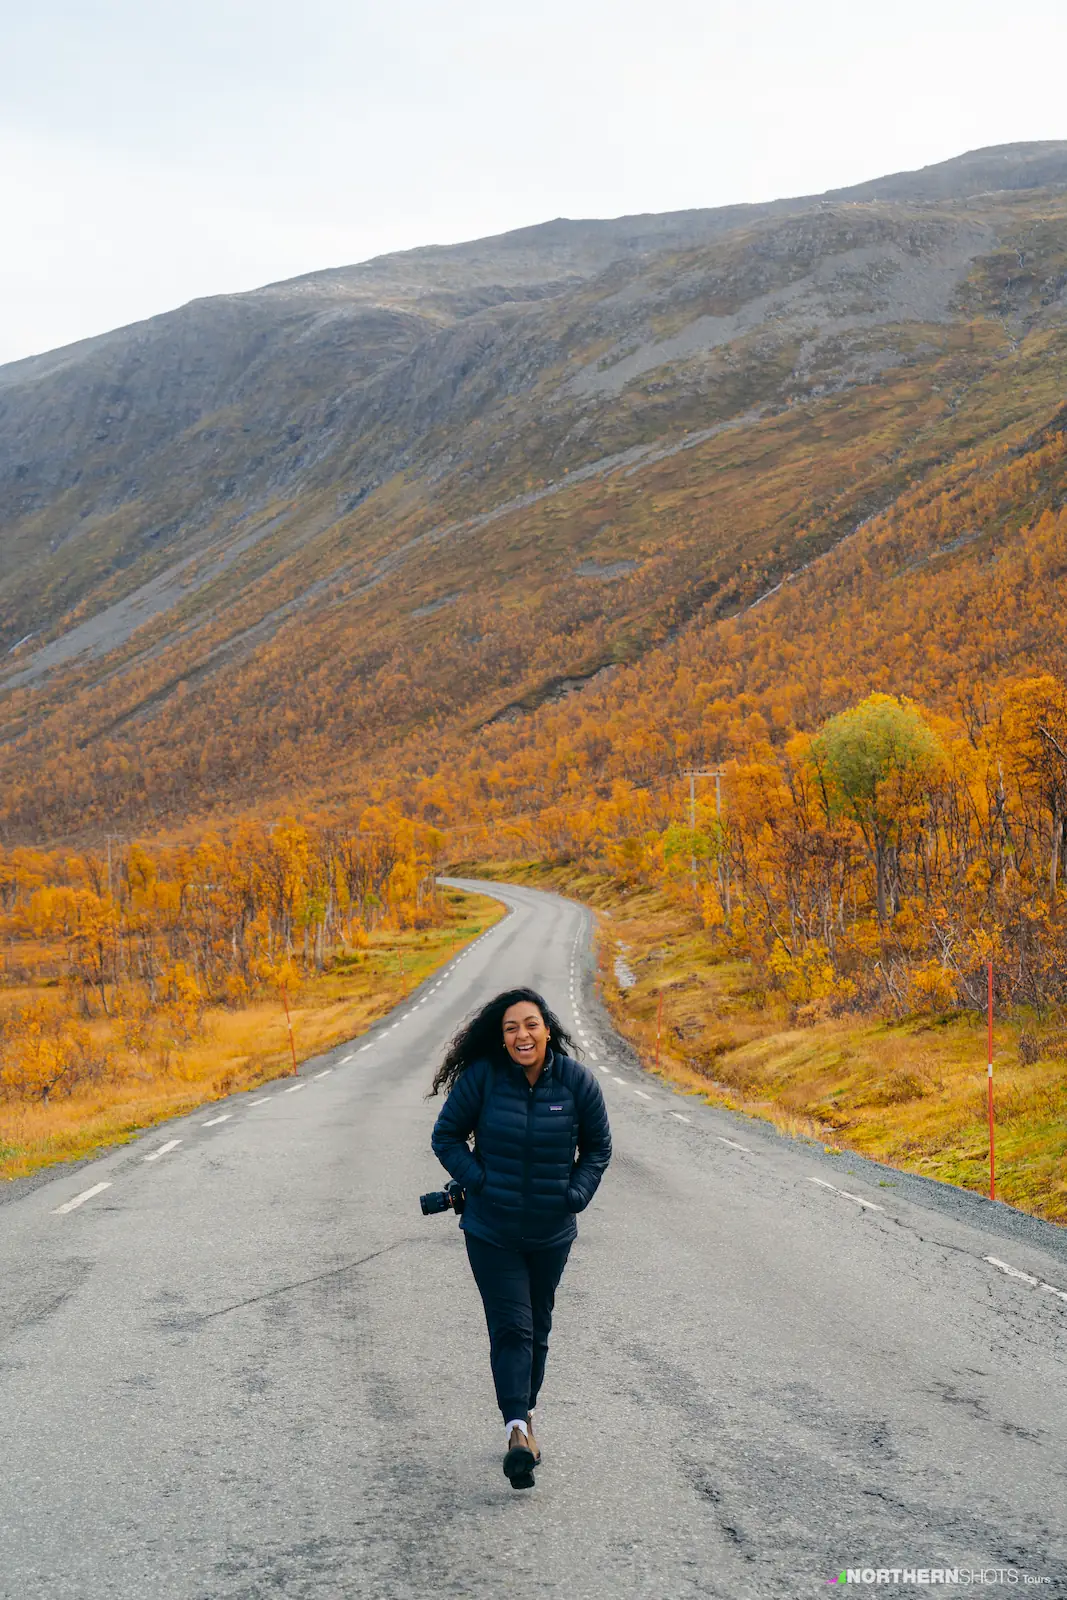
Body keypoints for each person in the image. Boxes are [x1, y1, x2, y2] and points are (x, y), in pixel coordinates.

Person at [429, 986, 612, 1489]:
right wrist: (480, 1182)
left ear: (546, 1029)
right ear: (503, 1039)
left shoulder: (576, 1083)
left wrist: (576, 1193)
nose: (521, 1035)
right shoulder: (483, 1079)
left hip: (552, 1233)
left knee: (539, 1326)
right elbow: (445, 1137)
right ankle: (516, 1430)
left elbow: (598, 1147)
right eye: (511, 1029)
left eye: (529, 1024)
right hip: (492, 1229)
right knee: (512, 1326)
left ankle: (525, 1416)